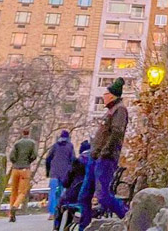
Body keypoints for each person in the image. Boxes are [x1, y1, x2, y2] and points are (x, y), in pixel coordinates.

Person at [78, 78, 128, 230]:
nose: (103, 97)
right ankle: (84, 226)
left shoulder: (120, 110)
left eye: (105, 94)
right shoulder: (111, 111)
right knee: (84, 196)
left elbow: (116, 133)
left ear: (111, 96)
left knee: (103, 196)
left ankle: (127, 216)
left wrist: (104, 152)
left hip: (105, 159)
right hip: (95, 157)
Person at [54, 142, 89, 231]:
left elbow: (66, 182)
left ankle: (57, 228)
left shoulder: (77, 162)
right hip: (90, 195)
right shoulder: (95, 162)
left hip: (75, 195)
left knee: (62, 203)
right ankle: (67, 226)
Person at [8, 129, 37, 222]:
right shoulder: (32, 143)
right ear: (29, 133)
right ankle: (15, 206)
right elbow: (34, 155)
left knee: (14, 191)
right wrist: (28, 161)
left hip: (15, 169)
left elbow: (11, 156)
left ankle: (10, 214)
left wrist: (15, 162)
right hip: (25, 169)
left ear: (22, 133)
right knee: (22, 192)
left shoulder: (17, 143)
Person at [45, 130, 74, 219]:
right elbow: (73, 159)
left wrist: (48, 171)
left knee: (52, 192)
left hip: (54, 172)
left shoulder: (55, 146)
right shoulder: (70, 146)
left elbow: (48, 159)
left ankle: (52, 212)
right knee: (62, 193)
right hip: (65, 174)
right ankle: (59, 211)